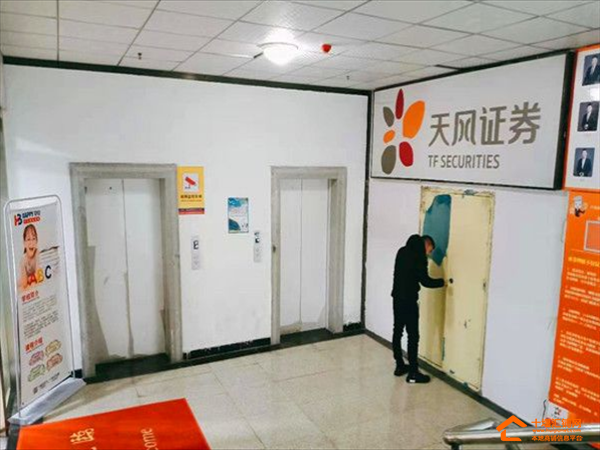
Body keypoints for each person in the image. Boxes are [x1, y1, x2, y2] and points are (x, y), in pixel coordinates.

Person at [392, 234, 445, 384]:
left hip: (397, 298)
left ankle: (399, 366)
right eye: (430, 250)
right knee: (413, 336)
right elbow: (425, 281)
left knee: (397, 331)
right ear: (426, 244)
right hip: (409, 300)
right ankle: (413, 373)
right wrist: (442, 282)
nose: (429, 254)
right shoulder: (419, 257)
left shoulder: (402, 251)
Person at [19, 224, 40, 292]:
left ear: (36, 241)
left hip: (34, 284)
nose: (31, 242)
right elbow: (24, 284)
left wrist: (31, 280)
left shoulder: (37, 254)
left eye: (33, 239)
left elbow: (38, 276)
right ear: (24, 243)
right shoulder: (23, 260)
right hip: (28, 285)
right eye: (28, 239)